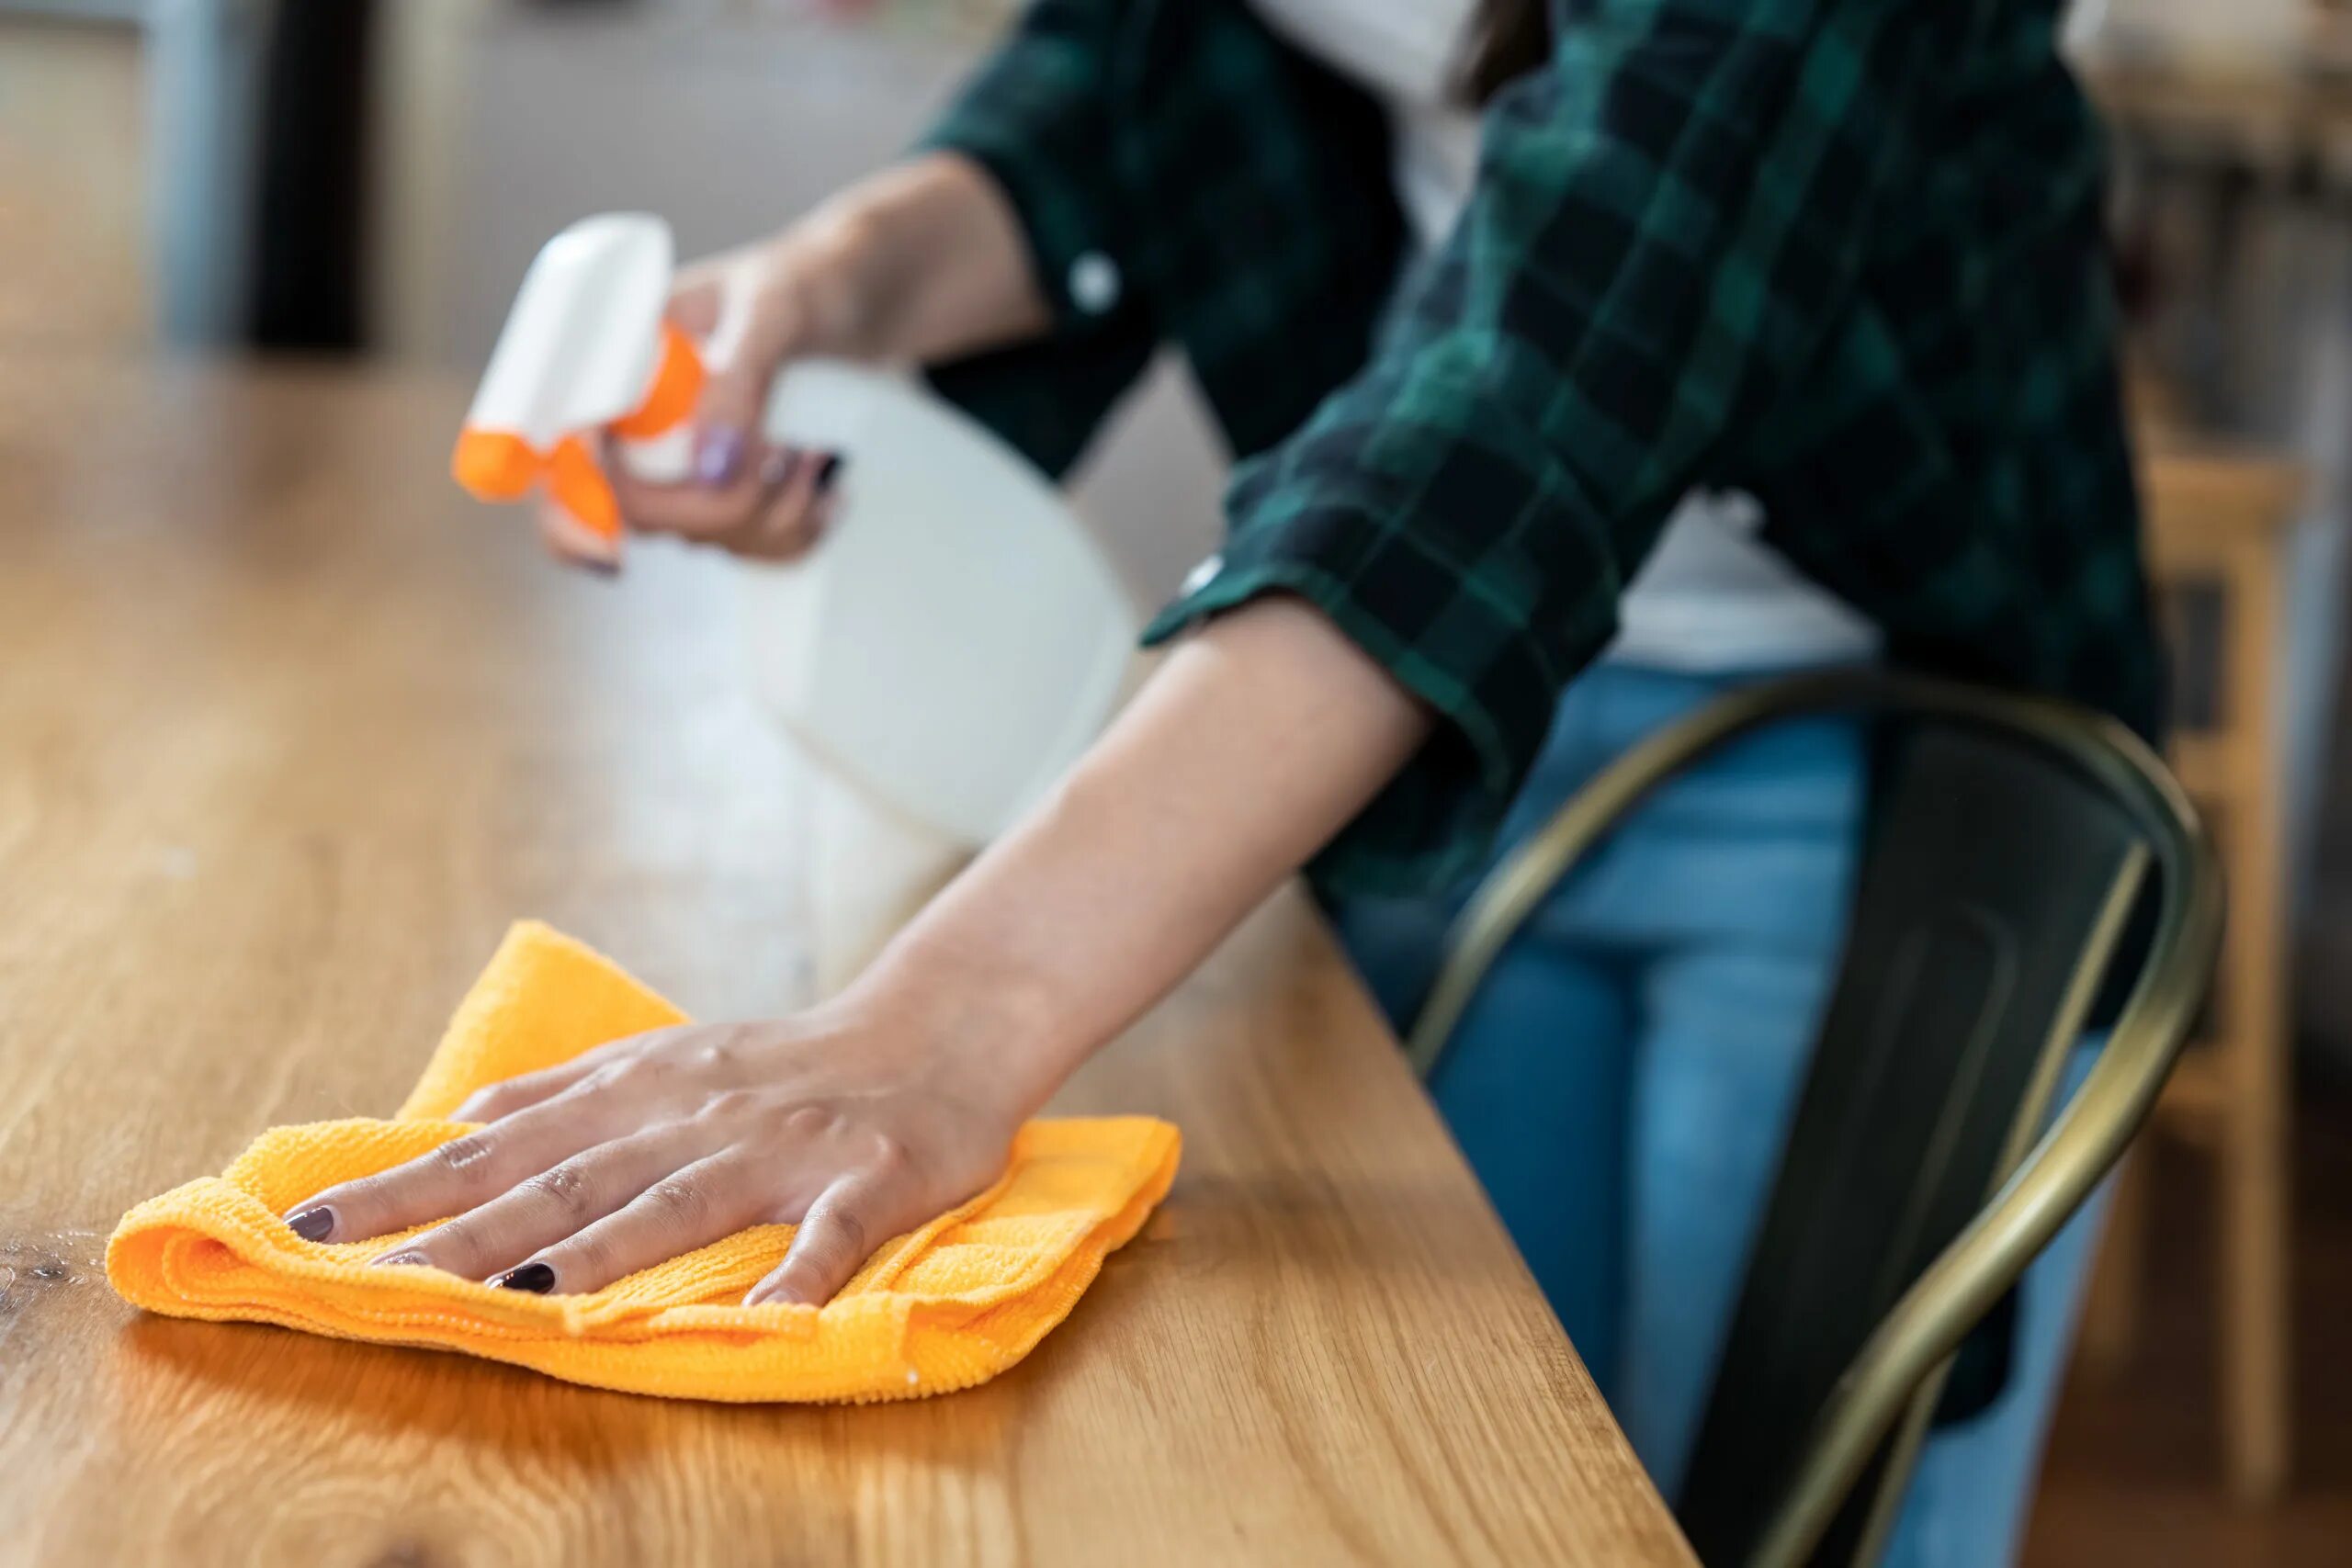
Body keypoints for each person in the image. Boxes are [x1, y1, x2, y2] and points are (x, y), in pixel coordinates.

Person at [285, 1, 2157, 1560]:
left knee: (1794, 1511)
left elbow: (1525, 399)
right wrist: (838, 286)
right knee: (1482, 1497)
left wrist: (940, 1017)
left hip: (1874, 761)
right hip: (1454, 758)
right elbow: (1129, 77)